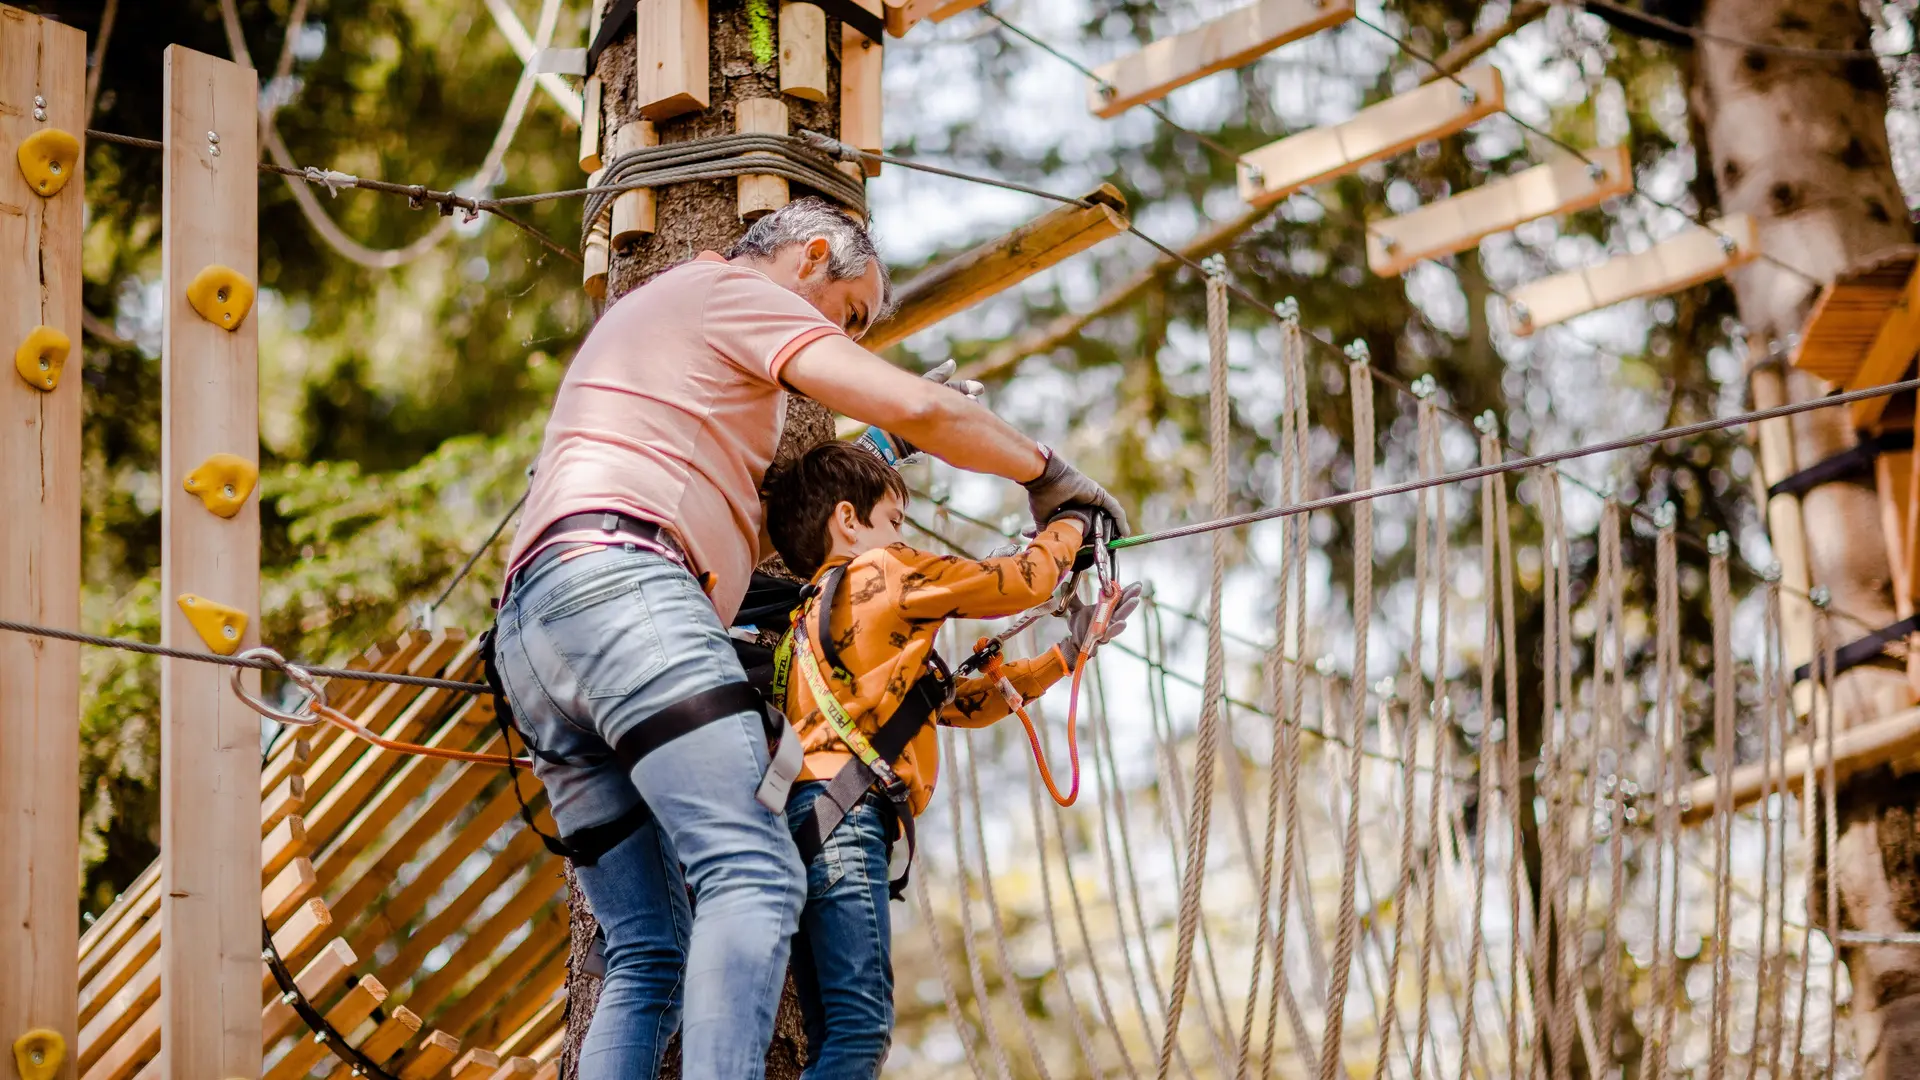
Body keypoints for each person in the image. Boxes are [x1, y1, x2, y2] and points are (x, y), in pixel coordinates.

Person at [486, 197, 1128, 1080]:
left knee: (646, 955)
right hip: (625, 589)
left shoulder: (669, 327)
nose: (847, 340)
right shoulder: (735, 293)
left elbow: (723, 499)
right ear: (812, 256)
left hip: (535, 634)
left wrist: (878, 448)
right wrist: (1053, 482)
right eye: (851, 313)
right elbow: (930, 409)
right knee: (751, 874)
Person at [762, 442, 1139, 1078]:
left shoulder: (814, 623)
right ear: (848, 521)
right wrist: (1073, 521)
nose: (899, 537)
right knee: (859, 1035)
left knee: (835, 1039)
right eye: (892, 521)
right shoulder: (883, 571)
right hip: (846, 821)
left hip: (809, 827)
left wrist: (1065, 655)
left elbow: (959, 704)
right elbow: (1023, 581)